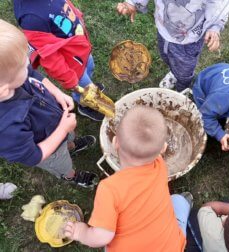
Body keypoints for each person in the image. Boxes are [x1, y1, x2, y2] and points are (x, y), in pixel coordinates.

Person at [64, 106, 193, 251]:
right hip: (171, 247)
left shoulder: (110, 189)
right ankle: (184, 204)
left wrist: (80, 232)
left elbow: (102, 237)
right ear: (163, 149)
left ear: (115, 143)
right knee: (178, 201)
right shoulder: (160, 165)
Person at [0, 19, 97, 188]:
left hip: (57, 120)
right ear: (2, 89)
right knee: (63, 164)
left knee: (68, 138)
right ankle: (71, 176)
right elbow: (34, 156)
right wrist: (63, 129)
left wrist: (56, 92)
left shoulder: (12, 75)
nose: (29, 64)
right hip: (49, 150)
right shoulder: (7, 127)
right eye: (23, 65)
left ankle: (71, 146)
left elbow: (33, 75)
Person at [13, 0, 105, 121]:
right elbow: (50, 58)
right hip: (71, 65)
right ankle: (84, 104)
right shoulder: (32, 19)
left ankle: (87, 84)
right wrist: (70, 81)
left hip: (80, 50)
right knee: (82, 84)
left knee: (89, 67)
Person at [116, 0, 229, 92]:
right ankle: (174, 72)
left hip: (189, 38)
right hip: (164, 27)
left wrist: (215, 26)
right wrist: (133, 3)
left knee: (184, 70)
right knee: (166, 55)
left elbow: (220, 3)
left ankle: (183, 87)